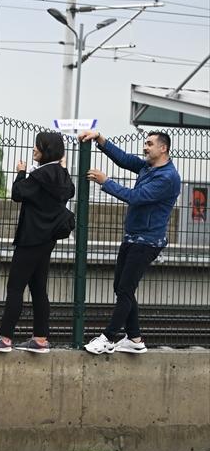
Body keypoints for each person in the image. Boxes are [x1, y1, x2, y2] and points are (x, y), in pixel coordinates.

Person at [80, 129, 181, 355]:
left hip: (147, 242)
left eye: (149, 144)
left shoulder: (167, 178)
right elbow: (125, 159)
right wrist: (100, 139)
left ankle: (108, 338)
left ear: (163, 148)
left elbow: (135, 197)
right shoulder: (148, 167)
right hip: (132, 237)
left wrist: (106, 182)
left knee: (125, 288)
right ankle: (135, 339)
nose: (145, 147)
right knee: (121, 288)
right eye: (146, 143)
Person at [0, 131, 75, 354]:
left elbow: (17, 193)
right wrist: (62, 167)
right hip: (48, 239)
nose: (34, 150)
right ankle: (40, 339)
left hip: (31, 238)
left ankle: (4, 338)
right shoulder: (61, 174)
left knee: (15, 287)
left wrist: (21, 173)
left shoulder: (39, 176)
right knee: (38, 288)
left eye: (38, 147)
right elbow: (70, 191)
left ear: (46, 150)